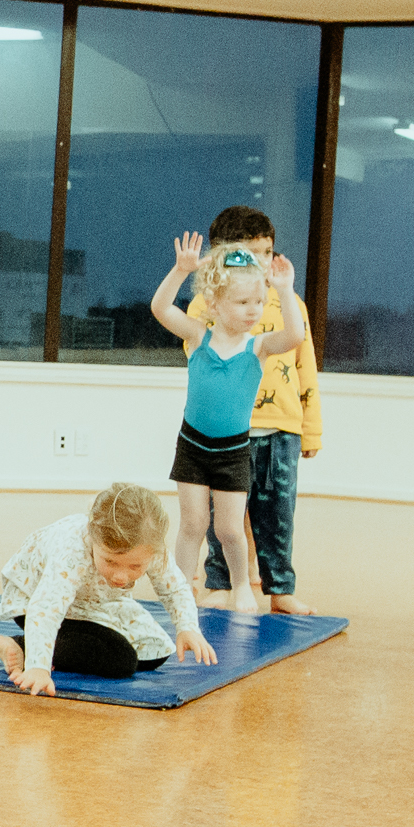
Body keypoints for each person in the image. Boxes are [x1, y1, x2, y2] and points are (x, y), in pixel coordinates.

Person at [150, 234, 308, 614]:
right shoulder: (197, 336)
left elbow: (295, 335)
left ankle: (241, 586)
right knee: (193, 524)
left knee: (230, 530)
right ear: (214, 303)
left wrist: (284, 291)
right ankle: (181, 590)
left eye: (259, 302)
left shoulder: (258, 347)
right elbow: (160, 307)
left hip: (233, 451)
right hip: (192, 445)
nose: (254, 311)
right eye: (242, 302)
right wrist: (180, 270)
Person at [184, 206, 321, 615]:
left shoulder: (289, 304)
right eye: (250, 254)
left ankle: (281, 589)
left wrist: (310, 430)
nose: (262, 262)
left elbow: (305, 365)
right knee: (220, 517)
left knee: (278, 513)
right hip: (229, 432)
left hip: (281, 429)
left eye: (267, 252)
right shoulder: (203, 307)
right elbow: (202, 359)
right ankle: (221, 582)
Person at [0, 483, 216, 696]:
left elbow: (175, 588)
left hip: (91, 599)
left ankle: (46, 645)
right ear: (93, 539)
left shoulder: (150, 547)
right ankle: (20, 645)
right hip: (34, 600)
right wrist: (38, 667)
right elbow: (46, 607)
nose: (121, 576)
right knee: (121, 659)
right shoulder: (72, 552)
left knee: (155, 651)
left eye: (135, 566)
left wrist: (187, 627)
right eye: (110, 561)